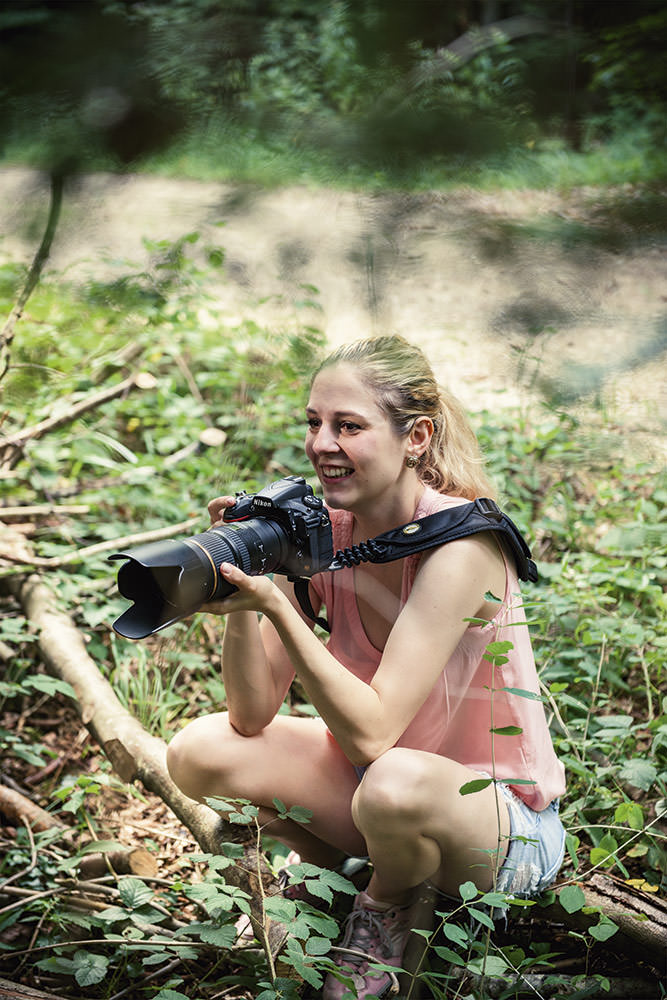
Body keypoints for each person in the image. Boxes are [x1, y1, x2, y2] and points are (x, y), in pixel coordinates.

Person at [166, 334, 566, 999]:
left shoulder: (463, 546)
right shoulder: (325, 531)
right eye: (314, 423)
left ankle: (383, 912)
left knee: (393, 779)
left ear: (416, 438)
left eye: (348, 426)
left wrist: (281, 608)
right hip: (376, 793)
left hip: (496, 826)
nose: (322, 443)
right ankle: (329, 874)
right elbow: (250, 715)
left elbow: (374, 738)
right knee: (198, 752)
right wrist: (242, 591)